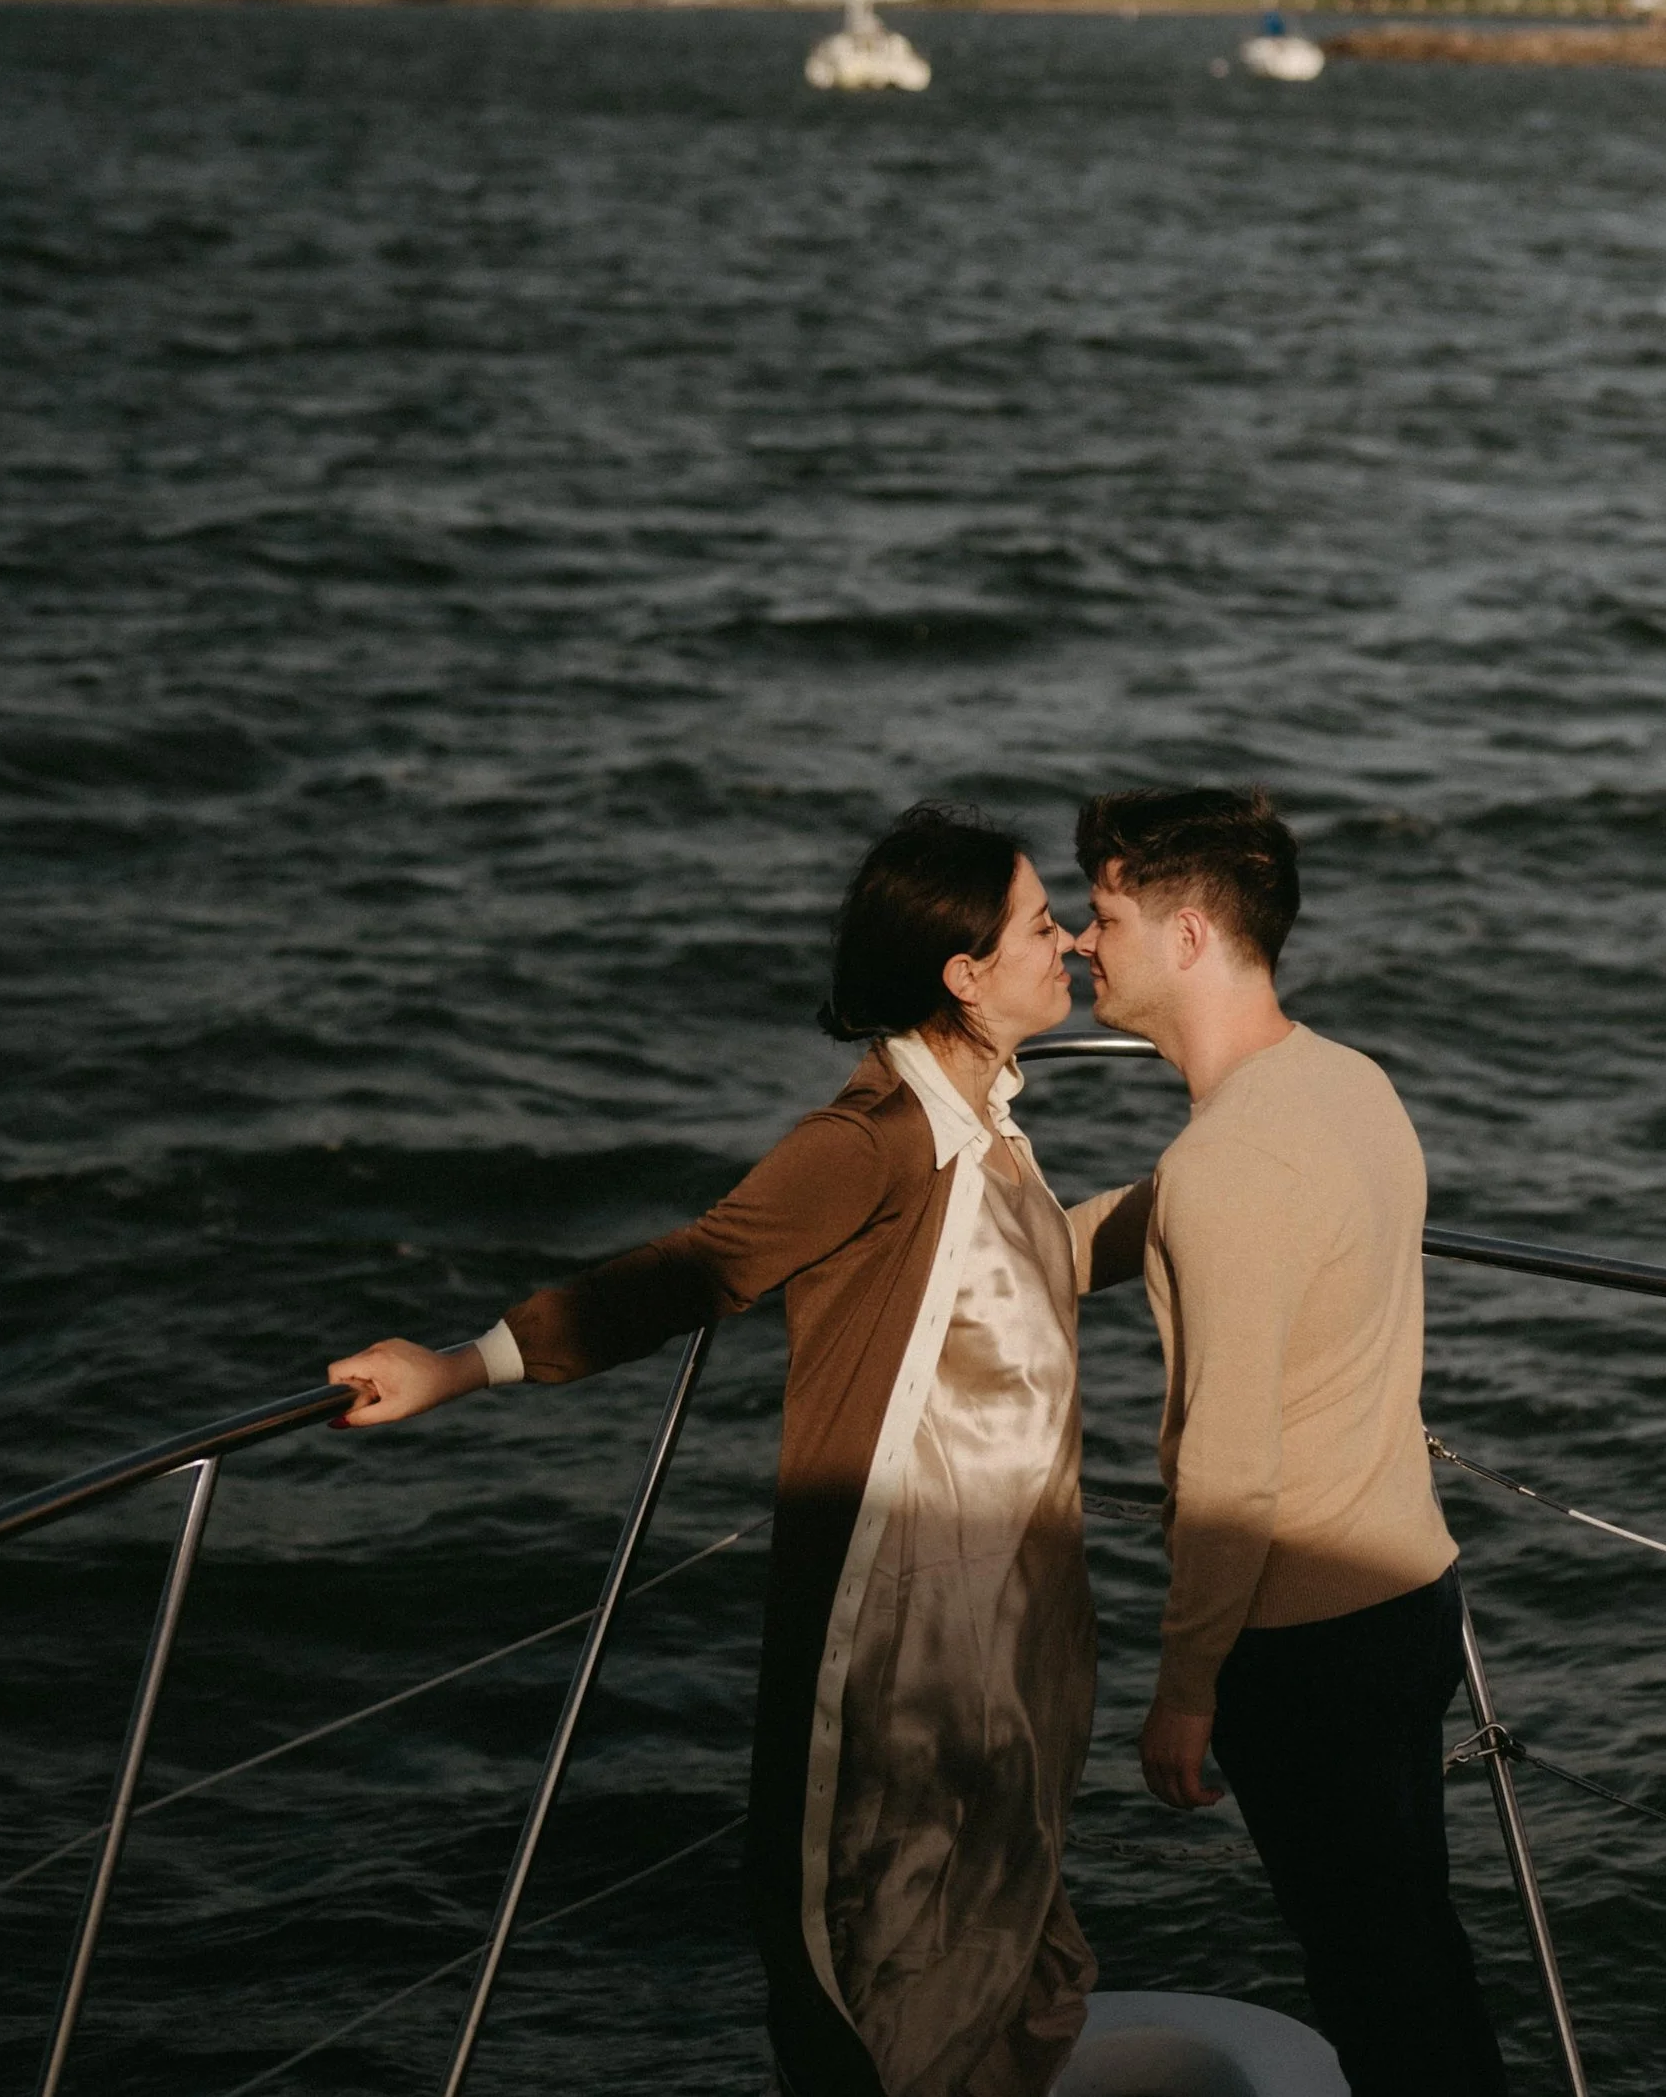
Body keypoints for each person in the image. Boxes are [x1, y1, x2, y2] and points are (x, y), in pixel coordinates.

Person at [328, 808, 1099, 2097]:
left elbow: (1023, 1275)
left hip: (1008, 1645)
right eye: (1040, 923)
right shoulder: (873, 1143)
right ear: (964, 976)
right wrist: (463, 1364)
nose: (1068, 938)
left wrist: (1192, 1216)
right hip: (897, 1656)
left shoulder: (991, 1135)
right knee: (883, 1974)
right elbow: (698, 1267)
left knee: (990, 1957)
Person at [1067, 785, 1511, 2097]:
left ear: (1190, 933)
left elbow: (1229, 1466)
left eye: (1101, 916)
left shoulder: (1232, 1166)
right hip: (1411, 1599)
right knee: (1414, 1960)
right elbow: (1159, 1213)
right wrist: (995, 1240)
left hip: (1301, 1647)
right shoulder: (1340, 1084)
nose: (1085, 943)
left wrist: (1187, 1684)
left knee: (1371, 1990)